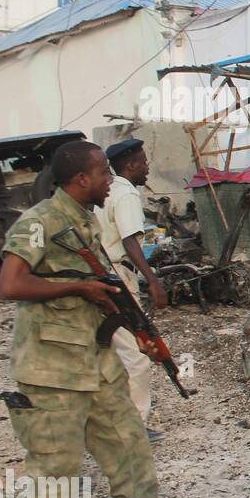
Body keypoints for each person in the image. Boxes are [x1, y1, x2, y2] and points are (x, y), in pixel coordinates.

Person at [0, 140, 191, 498]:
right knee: (56, 461)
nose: (111, 180)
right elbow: (11, 284)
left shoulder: (84, 222)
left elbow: (99, 286)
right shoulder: (41, 221)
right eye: (105, 173)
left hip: (95, 361)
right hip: (51, 367)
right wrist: (77, 290)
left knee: (128, 443)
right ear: (81, 179)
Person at [96, 138, 167, 434]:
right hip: (118, 276)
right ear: (131, 165)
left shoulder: (105, 190)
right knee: (137, 353)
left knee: (107, 350)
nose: (148, 169)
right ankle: (134, 428)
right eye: (144, 163)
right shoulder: (125, 194)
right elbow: (129, 240)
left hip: (99, 274)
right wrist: (152, 280)